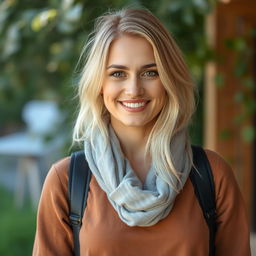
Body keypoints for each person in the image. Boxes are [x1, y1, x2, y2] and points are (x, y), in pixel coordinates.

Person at [32, 7, 251, 256]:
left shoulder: (212, 175)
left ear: (169, 79)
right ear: (99, 85)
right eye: (118, 74)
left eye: (150, 72)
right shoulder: (67, 181)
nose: (134, 89)